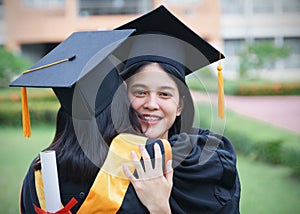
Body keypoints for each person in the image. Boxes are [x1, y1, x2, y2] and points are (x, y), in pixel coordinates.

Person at [117, 5, 241, 213]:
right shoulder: (104, 160)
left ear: (180, 105)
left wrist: (159, 207)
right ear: (124, 97)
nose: (151, 104)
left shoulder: (209, 166)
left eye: (164, 94)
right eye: (140, 92)